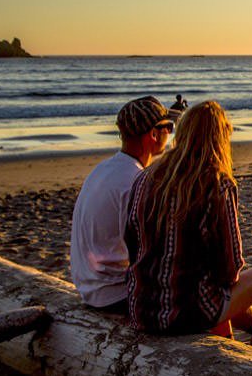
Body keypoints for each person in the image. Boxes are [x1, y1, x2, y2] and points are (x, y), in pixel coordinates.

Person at [124, 101, 252, 351]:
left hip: (141, 311)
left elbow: (131, 242)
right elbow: (231, 268)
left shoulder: (145, 177)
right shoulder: (217, 183)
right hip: (186, 316)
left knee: (208, 284)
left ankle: (228, 343)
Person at [70, 96, 179, 313]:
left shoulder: (102, 169)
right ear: (154, 134)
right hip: (116, 294)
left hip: (89, 287)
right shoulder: (137, 181)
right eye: (169, 127)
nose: (170, 133)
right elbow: (152, 254)